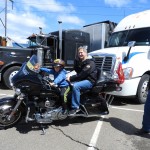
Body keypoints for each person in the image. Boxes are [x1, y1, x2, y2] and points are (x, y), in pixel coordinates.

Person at [67, 46, 109, 115]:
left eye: (81, 52)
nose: (80, 54)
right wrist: (66, 73)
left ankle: (75, 108)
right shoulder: (81, 62)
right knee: (67, 85)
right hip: (83, 80)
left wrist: (71, 78)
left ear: (85, 53)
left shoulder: (90, 63)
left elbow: (82, 74)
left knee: (76, 86)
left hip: (89, 81)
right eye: (79, 53)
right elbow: (76, 70)